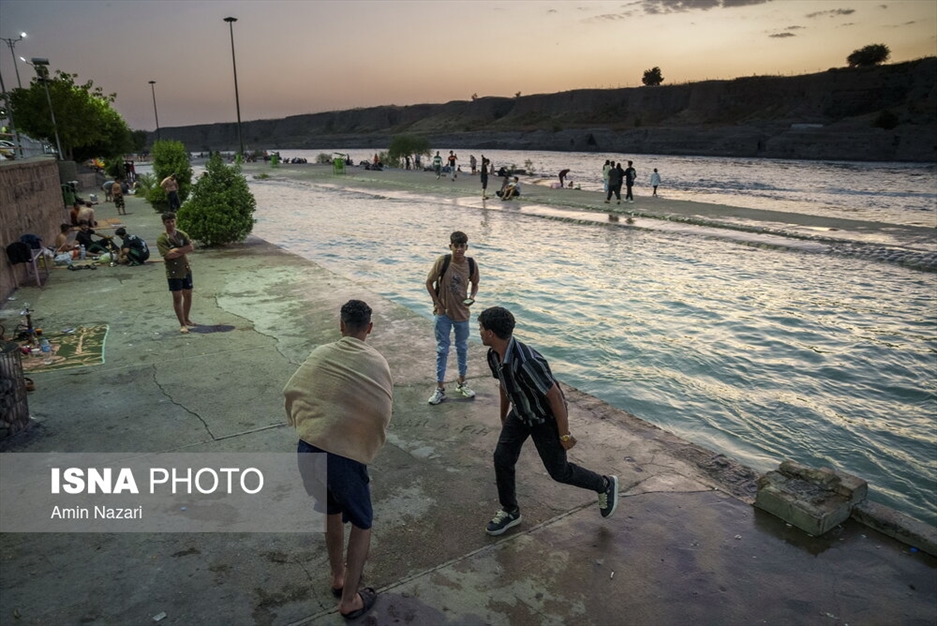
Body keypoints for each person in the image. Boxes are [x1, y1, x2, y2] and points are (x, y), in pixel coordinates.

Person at [285, 299, 391, 620]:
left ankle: (338, 576)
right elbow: (380, 411)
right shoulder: (376, 361)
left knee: (331, 510)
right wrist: (361, 442)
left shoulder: (320, 354)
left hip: (308, 449)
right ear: (368, 328)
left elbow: (293, 391)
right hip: (344, 457)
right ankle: (350, 600)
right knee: (363, 522)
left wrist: (308, 425)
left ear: (341, 325)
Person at [477, 306, 619, 536]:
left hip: (544, 419)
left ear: (491, 333)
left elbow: (555, 397)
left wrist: (564, 434)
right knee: (502, 458)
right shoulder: (494, 354)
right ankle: (510, 511)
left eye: (482, 328)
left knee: (559, 472)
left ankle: (604, 484)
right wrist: (504, 415)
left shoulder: (526, 361)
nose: (480, 332)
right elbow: (504, 384)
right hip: (521, 413)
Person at [425, 231, 480, 405]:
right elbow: (429, 282)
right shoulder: (443, 261)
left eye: (462, 246)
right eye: (456, 246)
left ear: (466, 247)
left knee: (462, 348)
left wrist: (472, 297)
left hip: (462, 314)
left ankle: (462, 383)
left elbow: (475, 283)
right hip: (443, 315)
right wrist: (437, 303)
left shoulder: (471, 264)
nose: (459, 249)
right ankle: (440, 388)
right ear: (451, 246)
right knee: (442, 349)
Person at [156, 212, 196, 334]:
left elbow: (191, 247)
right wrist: (181, 251)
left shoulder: (182, 234)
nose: (171, 224)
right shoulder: (162, 239)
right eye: (168, 222)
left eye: (172, 221)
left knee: (188, 295)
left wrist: (177, 250)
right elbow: (168, 255)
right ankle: (182, 324)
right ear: (164, 223)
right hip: (173, 272)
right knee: (177, 297)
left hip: (185, 268)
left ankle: (187, 318)